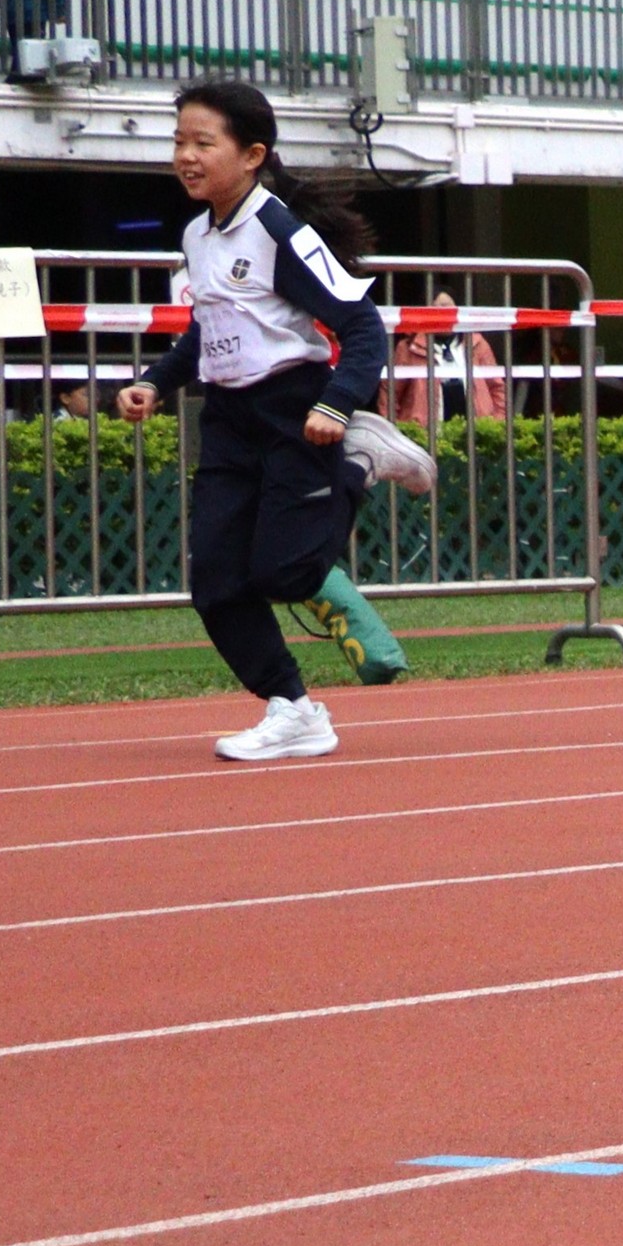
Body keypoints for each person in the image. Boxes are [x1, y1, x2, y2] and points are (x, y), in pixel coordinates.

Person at [112, 82, 439, 762]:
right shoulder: (197, 234)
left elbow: (362, 327)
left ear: (253, 154)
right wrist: (155, 382)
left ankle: (361, 459)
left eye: (204, 143)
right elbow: (208, 329)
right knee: (217, 583)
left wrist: (336, 403)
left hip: (297, 409)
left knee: (285, 572)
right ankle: (293, 708)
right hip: (230, 419)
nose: (186, 156)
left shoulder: (278, 229)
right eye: (179, 141)